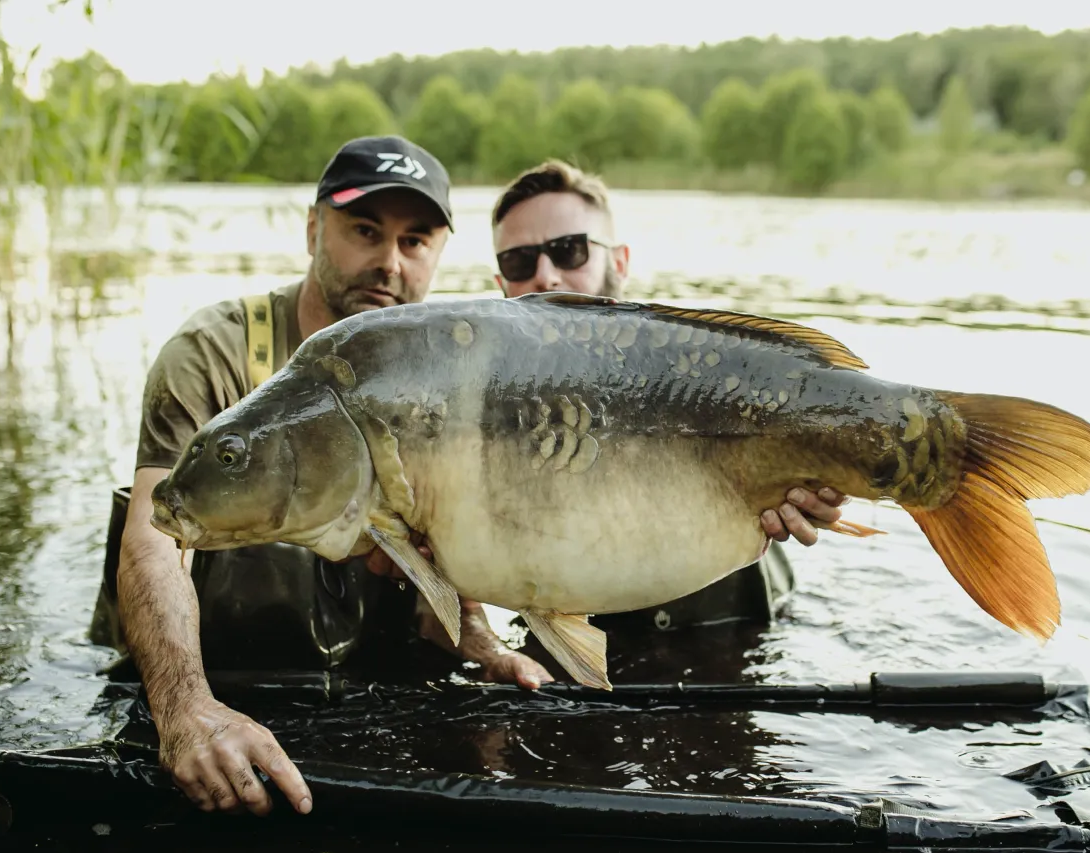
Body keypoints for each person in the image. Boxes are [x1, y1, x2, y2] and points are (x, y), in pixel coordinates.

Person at [100, 135, 550, 820]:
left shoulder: (441, 370)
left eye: (415, 241)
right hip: (214, 679)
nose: (389, 263)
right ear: (314, 228)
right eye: (365, 231)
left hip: (364, 691)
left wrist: (477, 639)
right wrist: (186, 707)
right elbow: (157, 536)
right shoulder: (213, 352)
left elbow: (435, 545)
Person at [487, 159, 849, 634]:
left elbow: (823, 450)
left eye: (569, 251)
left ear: (619, 262)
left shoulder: (706, 368)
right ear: (500, 285)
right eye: (519, 261)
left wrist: (819, 490)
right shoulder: (489, 414)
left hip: (740, 626)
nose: (546, 276)